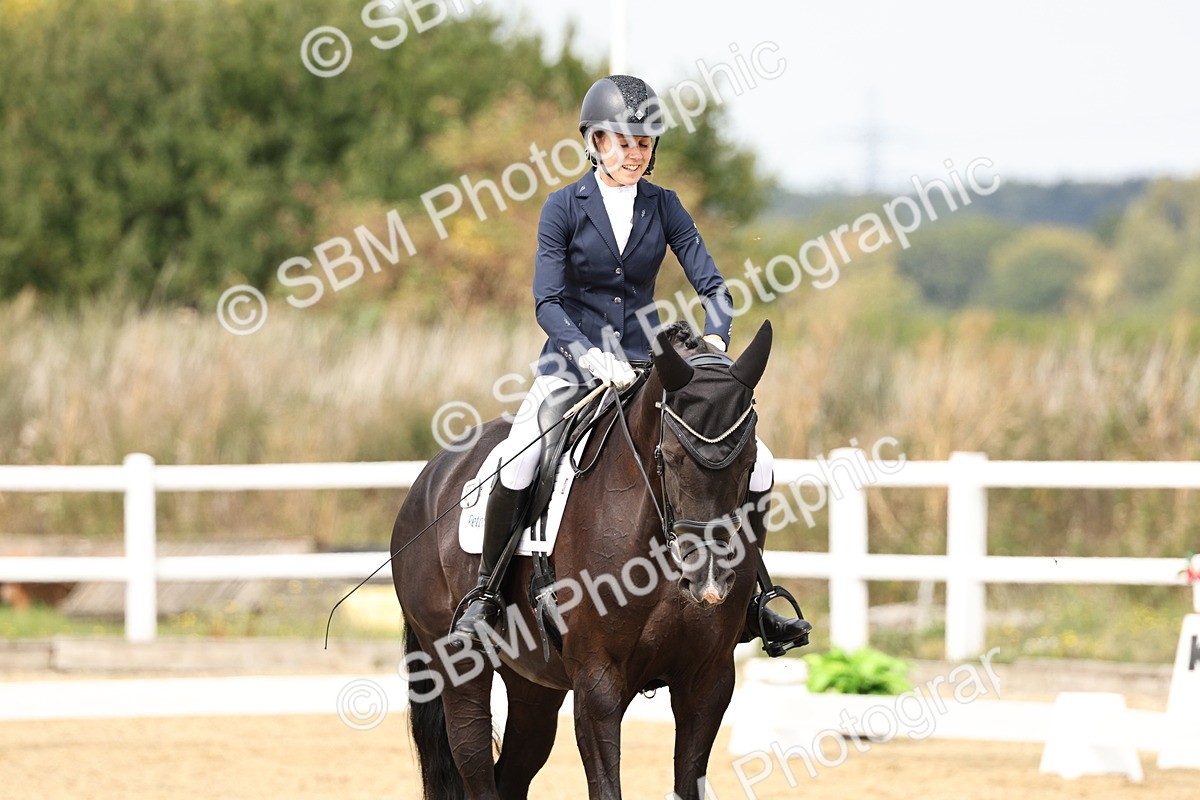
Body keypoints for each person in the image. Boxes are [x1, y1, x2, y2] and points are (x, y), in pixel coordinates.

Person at [450, 75, 809, 652]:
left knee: (757, 463)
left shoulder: (664, 206)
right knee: (516, 464)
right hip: (572, 366)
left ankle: (755, 599)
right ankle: (486, 596)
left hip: (650, 365)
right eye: (621, 141)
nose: (633, 153)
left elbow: (712, 284)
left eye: (643, 143)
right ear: (594, 141)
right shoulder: (564, 206)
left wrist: (715, 339)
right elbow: (547, 299)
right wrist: (588, 354)